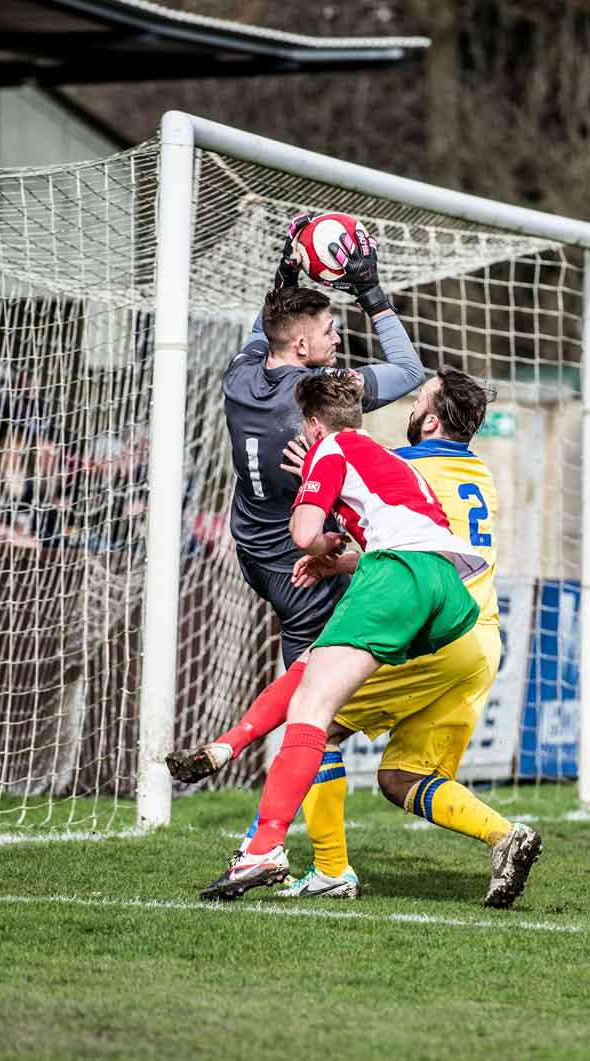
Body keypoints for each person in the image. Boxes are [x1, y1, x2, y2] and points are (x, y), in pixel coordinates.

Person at [176, 367, 526, 905]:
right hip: (470, 624)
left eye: (417, 401)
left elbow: (311, 528)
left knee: (315, 718)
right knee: (401, 774)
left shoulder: (375, 453)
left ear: (429, 420)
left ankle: (291, 854)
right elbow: (408, 528)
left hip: (408, 598)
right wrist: (342, 562)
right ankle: (508, 836)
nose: (408, 407)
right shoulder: (476, 471)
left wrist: (317, 485)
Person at [217, 212, 424, 668]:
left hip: (252, 548)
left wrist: (285, 276)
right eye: (330, 329)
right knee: (319, 696)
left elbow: (266, 328)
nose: (339, 334)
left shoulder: (240, 372)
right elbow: (410, 371)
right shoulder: (321, 391)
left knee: (315, 687)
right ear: (303, 348)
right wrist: (372, 295)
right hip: (300, 562)